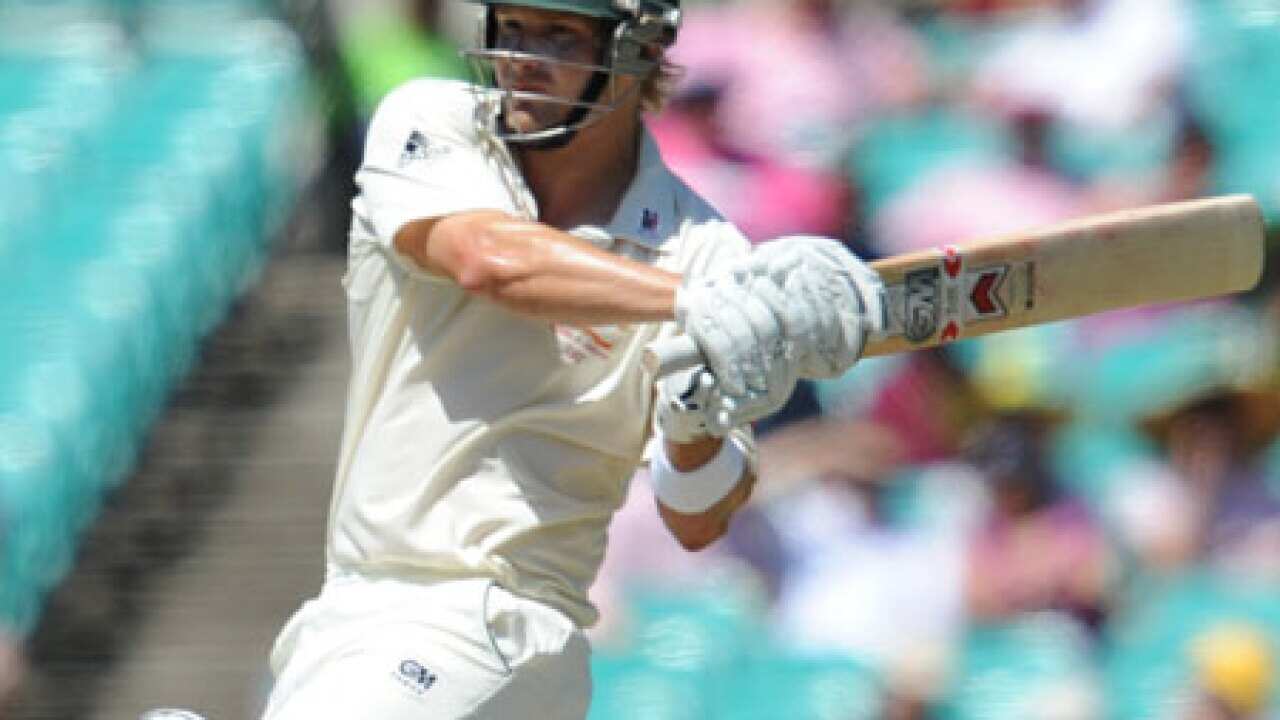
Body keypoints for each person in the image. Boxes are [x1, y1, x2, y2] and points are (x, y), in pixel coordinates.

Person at [258, 0, 882, 717]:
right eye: (513, 29)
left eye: (559, 34)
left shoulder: (707, 250)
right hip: (361, 615)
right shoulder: (434, 123)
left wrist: (693, 421)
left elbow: (697, 517)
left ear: (637, 53)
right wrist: (694, 303)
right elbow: (485, 259)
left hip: (480, 620)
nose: (524, 57)